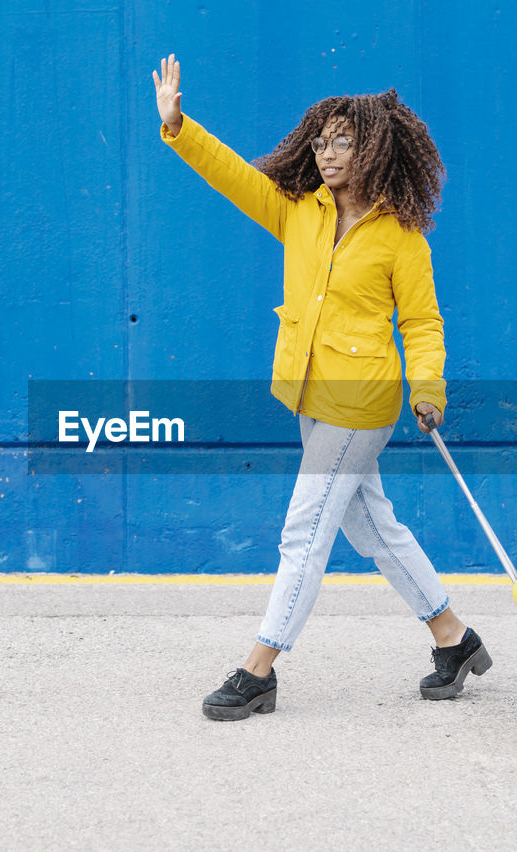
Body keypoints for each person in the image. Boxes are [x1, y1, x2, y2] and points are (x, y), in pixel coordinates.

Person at [152, 55, 491, 721]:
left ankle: (259, 670)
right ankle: (455, 638)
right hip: (312, 394)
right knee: (372, 525)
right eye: (321, 139)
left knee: (304, 532)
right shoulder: (300, 212)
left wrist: (429, 389)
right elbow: (233, 175)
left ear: (373, 148)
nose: (328, 152)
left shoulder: (401, 236)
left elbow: (421, 321)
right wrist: (178, 125)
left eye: (343, 140)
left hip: (361, 403)